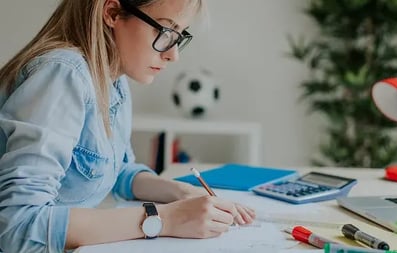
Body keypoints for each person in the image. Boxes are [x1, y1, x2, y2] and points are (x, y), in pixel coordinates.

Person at [0, 0, 256, 252]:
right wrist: (165, 219)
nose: (173, 54)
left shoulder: (114, 79)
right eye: (165, 31)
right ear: (112, 12)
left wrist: (182, 193)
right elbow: (19, 226)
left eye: (179, 36)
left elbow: (117, 171)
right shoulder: (63, 75)